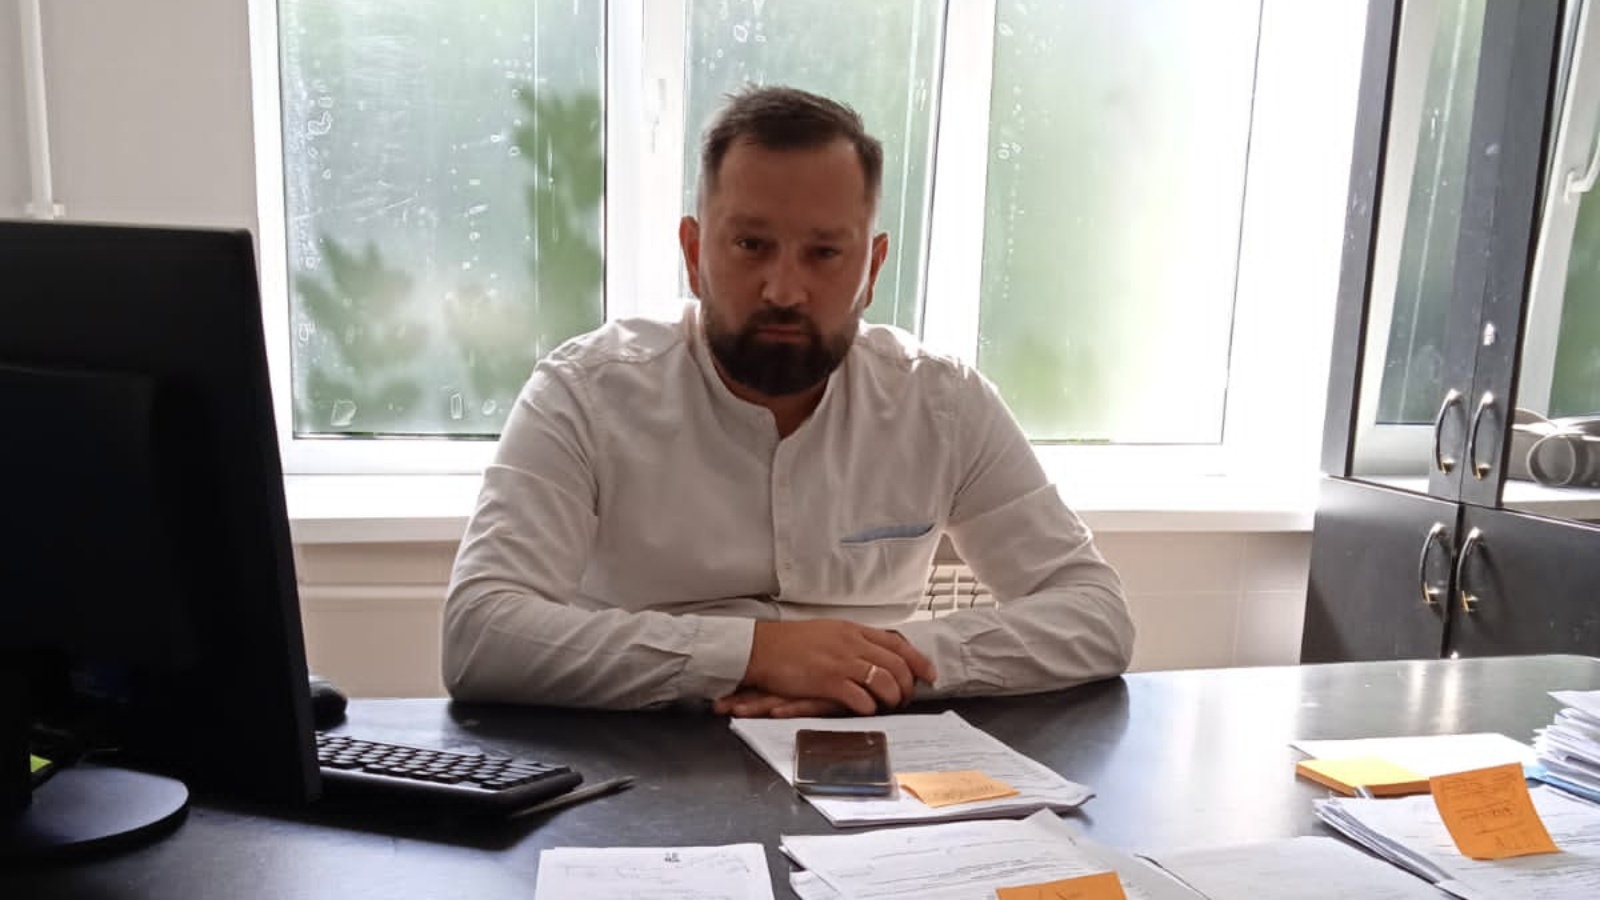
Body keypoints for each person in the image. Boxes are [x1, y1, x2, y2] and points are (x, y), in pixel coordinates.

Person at [442, 85, 1134, 717]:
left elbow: (1097, 616)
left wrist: (879, 666)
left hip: (867, 743)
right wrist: (752, 655)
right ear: (693, 252)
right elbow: (480, 634)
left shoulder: (943, 402)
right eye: (751, 245)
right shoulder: (583, 392)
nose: (783, 290)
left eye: (824, 253)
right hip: (639, 754)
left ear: (872, 268)